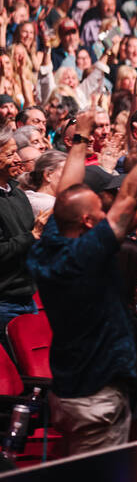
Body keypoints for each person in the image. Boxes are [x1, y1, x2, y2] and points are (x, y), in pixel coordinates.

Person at [27, 112, 137, 455]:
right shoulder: (86, 254)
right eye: (99, 212)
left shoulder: (51, 245)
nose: (105, 216)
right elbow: (129, 196)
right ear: (87, 222)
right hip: (97, 398)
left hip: (69, 390)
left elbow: (67, 191)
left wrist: (81, 140)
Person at [0, 127, 36, 340]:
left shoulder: (18, 194)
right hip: (4, 303)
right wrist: (32, 236)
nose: (17, 159)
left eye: (16, 152)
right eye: (9, 154)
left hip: (27, 297)